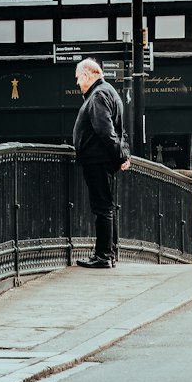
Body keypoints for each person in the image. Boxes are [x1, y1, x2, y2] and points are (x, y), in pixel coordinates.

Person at [72, 57, 131, 269]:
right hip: (103, 159)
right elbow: (120, 130)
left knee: (103, 208)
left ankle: (103, 255)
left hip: (97, 160)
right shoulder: (110, 91)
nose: (77, 83)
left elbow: (106, 131)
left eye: (78, 78)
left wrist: (120, 156)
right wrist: (123, 154)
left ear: (87, 75)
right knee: (107, 208)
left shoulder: (97, 95)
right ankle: (109, 254)